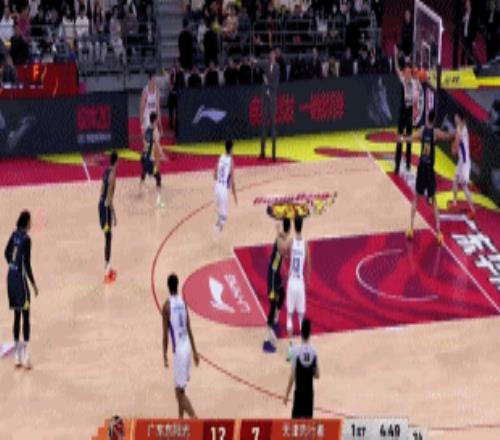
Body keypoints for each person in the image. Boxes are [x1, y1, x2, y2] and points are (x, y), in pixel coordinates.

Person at [405, 111, 454, 245]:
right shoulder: (435, 133)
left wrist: (402, 138)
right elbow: (448, 137)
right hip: (429, 170)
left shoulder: (422, 131)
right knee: (435, 201)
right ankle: (438, 233)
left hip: (422, 169)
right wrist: (455, 132)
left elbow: (410, 138)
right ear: (434, 120)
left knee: (416, 197)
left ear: (427, 118)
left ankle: (411, 228)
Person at [162, 273, 200, 419]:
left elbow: (165, 335)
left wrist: (164, 354)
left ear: (168, 286)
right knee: (181, 389)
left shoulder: (167, 306)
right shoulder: (183, 303)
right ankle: (180, 422)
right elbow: (189, 327)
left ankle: (195, 419)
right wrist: (195, 351)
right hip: (187, 347)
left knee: (178, 394)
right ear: (177, 285)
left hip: (179, 351)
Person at [4, 210, 39, 368]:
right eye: (30, 221)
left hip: (10, 278)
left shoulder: (14, 234)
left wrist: (12, 265)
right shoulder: (27, 240)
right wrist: (33, 284)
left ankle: (17, 356)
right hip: (20, 281)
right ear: (26, 222)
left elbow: (6, 252)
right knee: (26, 316)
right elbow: (28, 264)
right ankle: (25, 356)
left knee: (17, 316)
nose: (31, 223)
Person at [263, 218, 292, 353]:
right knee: (272, 306)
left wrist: (284, 268)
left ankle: (275, 320)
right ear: (289, 228)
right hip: (272, 277)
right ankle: (266, 340)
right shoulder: (282, 240)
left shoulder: (282, 236)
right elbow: (282, 249)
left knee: (282, 295)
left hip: (276, 274)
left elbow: (282, 255)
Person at [283, 318, 319, 419]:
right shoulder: (314, 351)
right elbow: (317, 375)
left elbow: (292, 376)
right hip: (309, 394)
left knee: (295, 424)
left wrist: (286, 395)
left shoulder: (295, 351)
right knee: (308, 425)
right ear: (310, 333)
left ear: (301, 332)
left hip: (299, 393)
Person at [286, 216, 311, 361]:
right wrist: (307, 282)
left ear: (294, 227)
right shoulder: (305, 244)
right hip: (300, 282)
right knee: (301, 317)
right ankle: (303, 349)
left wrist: (286, 270)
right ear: (302, 226)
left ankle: (290, 349)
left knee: (289, 315)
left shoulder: (291, 242)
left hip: (291, 281)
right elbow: (309, 265)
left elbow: (284, 254)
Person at [394, 45, 418, 176]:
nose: (407, 74)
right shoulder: (403, 80)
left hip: (408, 114)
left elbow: (414, 100)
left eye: (409, 72)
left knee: (408, 140)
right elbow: (397, 68)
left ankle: (408, 164)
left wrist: (415, 112)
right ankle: (397, 165)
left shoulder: (414, 84)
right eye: (406, 72)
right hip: (402, 113)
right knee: (399, 140)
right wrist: (395, 56)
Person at [451, 110, 475, 218]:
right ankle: (454, 203)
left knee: (464, 186)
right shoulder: (460, 128)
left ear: (459, 118)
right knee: (455, 180)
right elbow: (457, 142)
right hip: (461, 161)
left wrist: (454, 147)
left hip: (465, 162)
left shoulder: (461, 129)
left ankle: (473, 210)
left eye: (456, 117)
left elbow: (457, 142)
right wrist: (455, 146)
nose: (454, 119)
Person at [99, 151, 118, 283]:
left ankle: (107, 268)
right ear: (116, 161)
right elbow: (110, 198)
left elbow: (101, 190)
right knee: (108, 238)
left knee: (107, 238)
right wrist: (114, 215)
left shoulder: (106, 171)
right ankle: (106, 273)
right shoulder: (113, 176)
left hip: (100, 205)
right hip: (106, 209)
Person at [140, 112, 166, 207]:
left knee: (144, 171)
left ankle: (140, 190)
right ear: (154, 120)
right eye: (157, 119)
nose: (158, 121)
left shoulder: (147, 130)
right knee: (158, 177)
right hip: (149, 161)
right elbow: (157, 146)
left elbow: (144, 143)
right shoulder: (154, 132)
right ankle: (159, 201)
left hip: (143, 158)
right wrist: (163, 155)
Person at [213, 140, 237, 233]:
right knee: (223, 218)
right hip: (223, 189)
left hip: (217, 186)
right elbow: (233, 181)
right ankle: (215, 236)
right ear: (231, 149)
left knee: (220, 213)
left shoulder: (221, 157)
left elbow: (214, 174)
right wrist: (234, 195)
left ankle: (217, 230)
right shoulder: (231, 161)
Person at [260, 49, 279, 161]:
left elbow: (275, 85)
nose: (271, 56)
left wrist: (268, 84)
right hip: (265, 100)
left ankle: (273, 155)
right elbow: (260, 64)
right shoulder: (266, 65)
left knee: (273, 127)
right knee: (263, 126)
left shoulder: (277, 68)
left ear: (275, 56)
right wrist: (254, 61)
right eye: (270, 55)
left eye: (272, 55)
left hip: (272, 101)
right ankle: (262, 152)